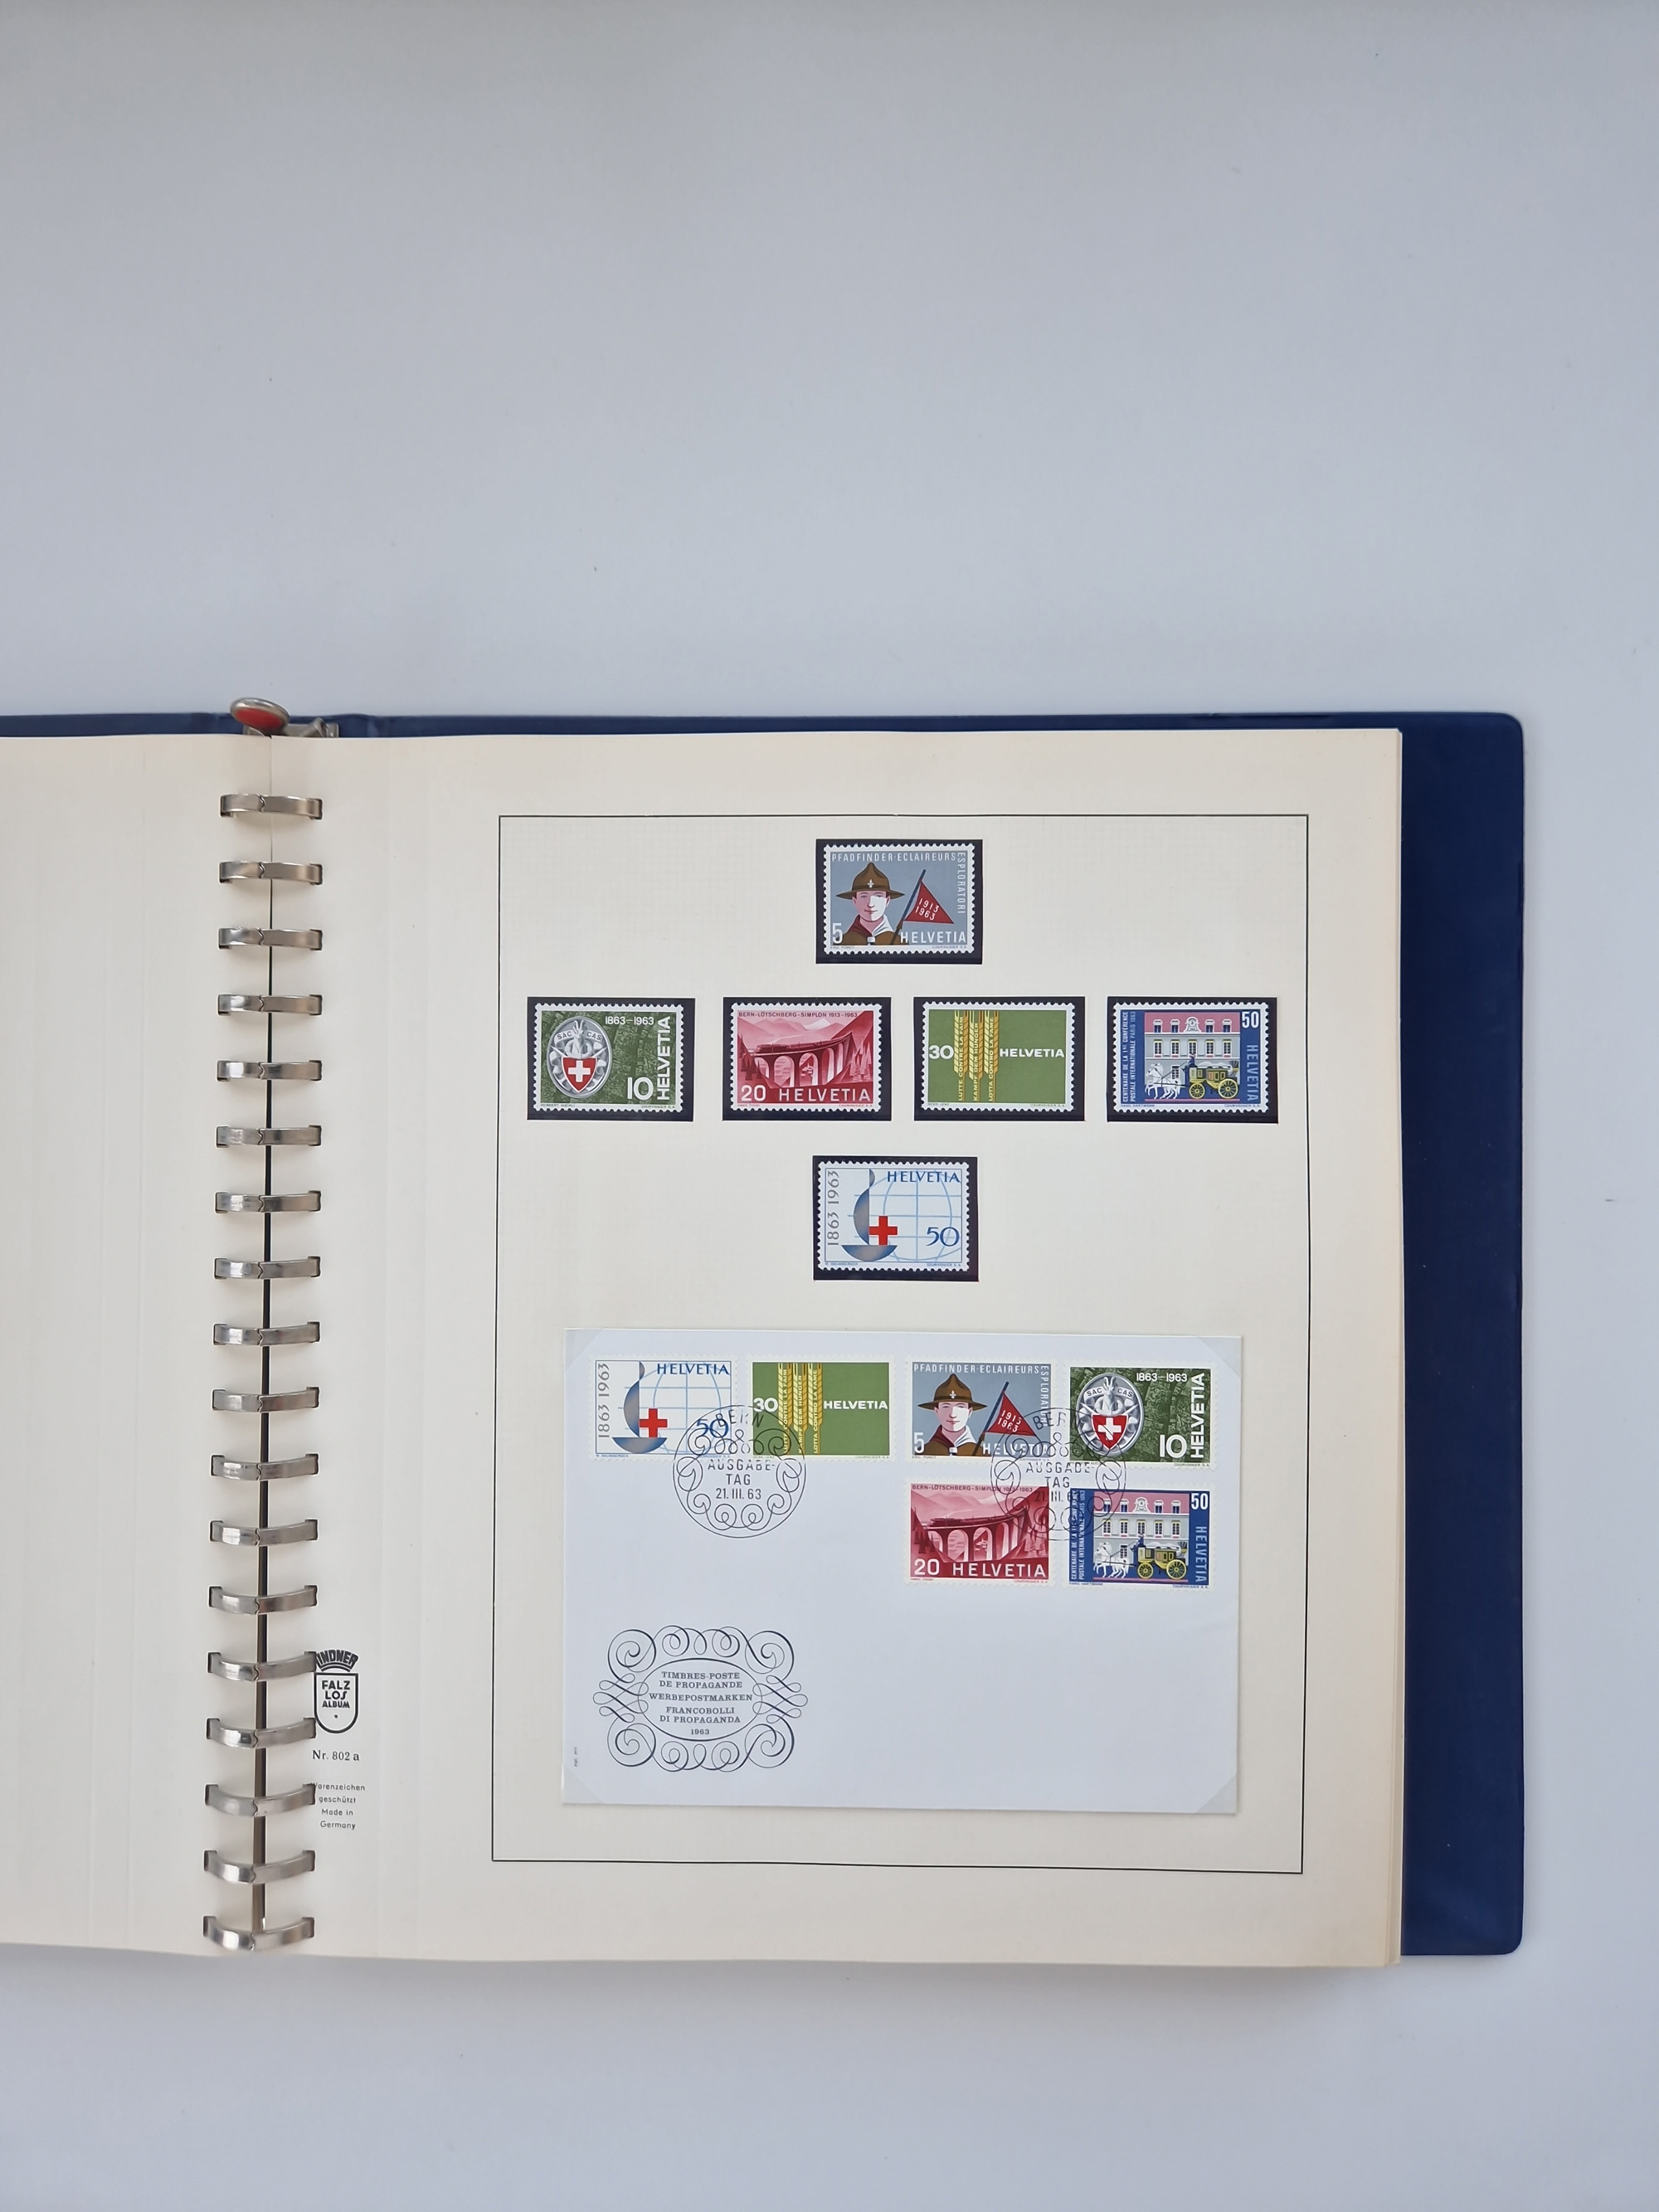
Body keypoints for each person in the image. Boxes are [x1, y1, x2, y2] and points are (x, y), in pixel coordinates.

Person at [836, 860, 907, 946]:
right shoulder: (842, 942)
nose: (870, 904)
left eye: (878, 896)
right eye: (864, 896)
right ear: (854, 901)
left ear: (887, 901)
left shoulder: (899, 943)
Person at [920, 1373, 987, 1455]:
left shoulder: (983, 1454)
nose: (952, 1414)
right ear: (937, 1411)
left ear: (969, 1412)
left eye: (960, 1407)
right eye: (946, 1407)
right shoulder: (924, 1452)